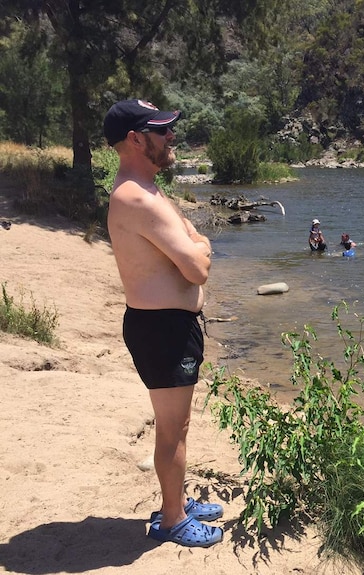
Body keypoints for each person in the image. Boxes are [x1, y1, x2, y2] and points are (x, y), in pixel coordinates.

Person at [104, 99, 223, 548]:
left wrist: (195, 246)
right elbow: (196, 266)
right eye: (162, 130)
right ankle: (173, 520)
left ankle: (177, 501)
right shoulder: (136, 196)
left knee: (180, 425)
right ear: (135, 140)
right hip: (163, 332)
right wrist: (198, 250)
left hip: (168, 327)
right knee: (172, 430)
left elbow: (193, 243)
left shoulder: (146, 187)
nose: (172, 136)